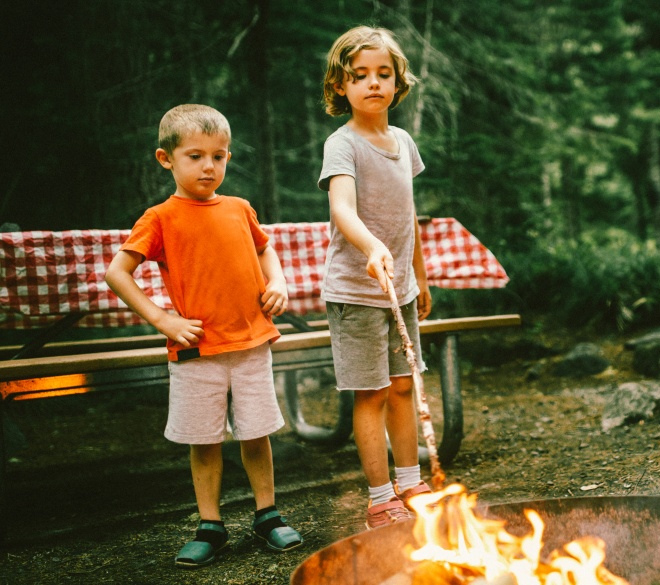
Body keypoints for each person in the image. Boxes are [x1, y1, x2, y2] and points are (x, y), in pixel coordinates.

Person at [105, 104, 303, 568]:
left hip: (252, 343)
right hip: (197, 350)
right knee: (204, 438)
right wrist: (164, 320)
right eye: (195, 156)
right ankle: (210, 526)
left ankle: (267, 515)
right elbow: (118, 272)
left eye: (219, 156)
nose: (209, 166)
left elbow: (266, 250)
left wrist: (278, 282)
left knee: (257, 433)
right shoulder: (159, 218)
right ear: (166, 159)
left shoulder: (239, 208)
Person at [318, 26, 434, 529]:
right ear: (340, 86)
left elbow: (409, 215)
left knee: (405, 387)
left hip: (400, 292)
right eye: (360, 75)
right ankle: (380, 495)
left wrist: (420, 278)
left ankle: (411, 481)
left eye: (383, 74)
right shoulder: (341, 145)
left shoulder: (403, 142)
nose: (373, 83)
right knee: (373, 393)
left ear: (397, 81)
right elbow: (342, 208)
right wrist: (371, 247)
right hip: (356, 293)